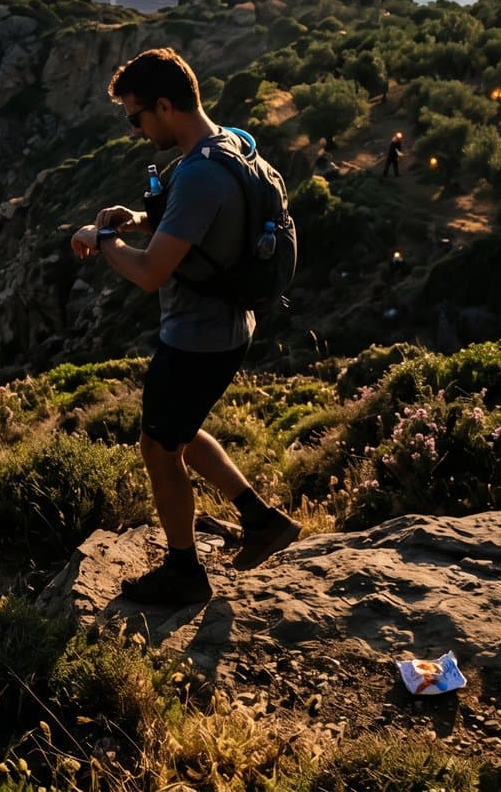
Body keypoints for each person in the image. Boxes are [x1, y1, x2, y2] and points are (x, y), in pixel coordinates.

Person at [71, 47, 302, 607]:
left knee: (157, 447)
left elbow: (150, 273)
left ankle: (183, 572)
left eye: (136, 116)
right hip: (228, 327)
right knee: (177, 432)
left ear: (166, 105)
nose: (133, 128)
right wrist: (139, 217)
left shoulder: (199, 173)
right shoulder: (229, 144)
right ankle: (261, 520)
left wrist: (102, 241)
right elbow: (200, 219)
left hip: (197, 338)